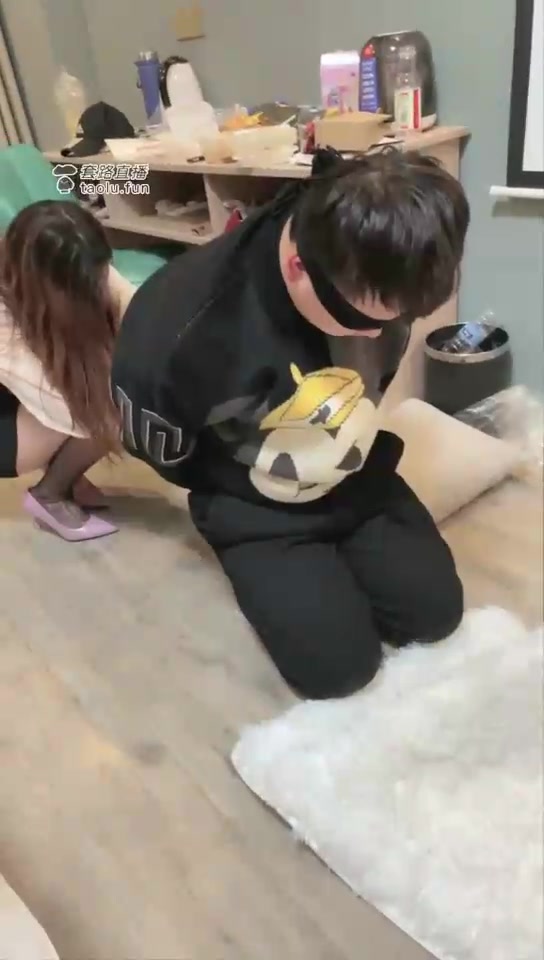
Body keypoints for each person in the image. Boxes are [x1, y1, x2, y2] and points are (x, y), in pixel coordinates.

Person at [111, 148, 470, 700]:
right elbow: (168, 455)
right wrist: (243, 486)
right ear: (299, 266)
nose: (377, 335)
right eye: (359, 319)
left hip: (354, 469)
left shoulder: (383, 254)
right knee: (341, 670)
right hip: (253, 502)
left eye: (398, 318)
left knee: (436, 615)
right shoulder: (182, 329)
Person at [0, 200, 134, 540]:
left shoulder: (64, 261)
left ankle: (65, 473)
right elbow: (60, 397)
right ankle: (50, 494)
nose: (101, 282)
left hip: (14, 394)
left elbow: (133, 306)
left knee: (120, 383)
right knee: (117, 404)